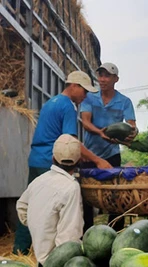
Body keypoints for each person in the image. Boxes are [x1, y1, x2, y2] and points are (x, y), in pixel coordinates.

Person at [13, 71, 112, 255]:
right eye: (84, 90)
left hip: (36, 158)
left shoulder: (52, 102)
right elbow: (71, 142)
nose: (85, 95)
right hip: (49, 162)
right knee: (58, 210)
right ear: (74, 86)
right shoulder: (68, 106)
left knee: (32, 205)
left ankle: (20, 251)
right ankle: (57, 253)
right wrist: (98, 160)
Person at [80, 62, 137, 231]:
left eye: (107, 76)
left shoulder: (124, 101)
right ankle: (87, 232)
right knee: (86, 196)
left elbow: (131, 125)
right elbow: (85, 122)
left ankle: (115, 230)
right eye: (100, 75)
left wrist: (132, 133)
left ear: (116, 79)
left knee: (115, 194)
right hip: (89, 154)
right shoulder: (90, 98)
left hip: (112, 154)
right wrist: (100, 133)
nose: (102, 79)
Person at [16, 134, 84, 266]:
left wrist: (38, 226)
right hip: (56, 261)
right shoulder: (72, 187)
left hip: (40, 257)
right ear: (80, 161)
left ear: (53, 159)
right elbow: (69, 236)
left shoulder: (39, 180)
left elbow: (22, 207)